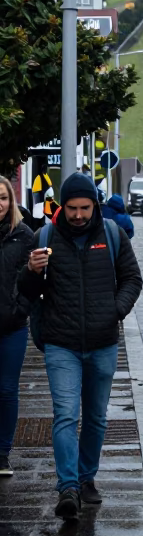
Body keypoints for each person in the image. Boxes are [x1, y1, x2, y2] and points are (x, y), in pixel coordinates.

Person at [17, 173, 142, 519]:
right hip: (62, 343)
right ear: (63, 205)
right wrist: (30, 270)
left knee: (97, 418)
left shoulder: (113, 236)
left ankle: (87, 478)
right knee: (66, 415)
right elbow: (26, 291)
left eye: (85, 208)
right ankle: (68, 487)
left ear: (94, 205)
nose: (78, 215)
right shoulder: (45, 236)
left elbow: (133, 278)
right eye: (72, 208)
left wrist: (115, 310)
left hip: (103, 343)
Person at [0, 176, 34, 476]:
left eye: (3, 198)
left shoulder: (24, 235)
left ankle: (2, 453)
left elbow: (34, 279)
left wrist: (21, 308)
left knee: (8, 390)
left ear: (11, 201)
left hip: (12, 326)